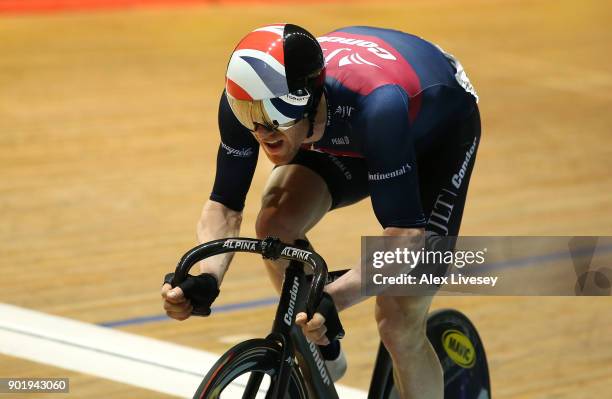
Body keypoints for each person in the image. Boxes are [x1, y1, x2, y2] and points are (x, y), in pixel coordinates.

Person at [161, 23, 480, 399]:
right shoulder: (246, 101)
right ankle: (323, 353)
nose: (261, 130)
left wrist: (335, 299)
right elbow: (224, 205)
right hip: (342, 129)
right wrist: (208, 276)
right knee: (275, 223)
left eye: (273, 116)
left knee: (398, 318)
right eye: (250, 116)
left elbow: (405, 237)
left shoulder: (378, 107)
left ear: (306, 97)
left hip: (433, 134)